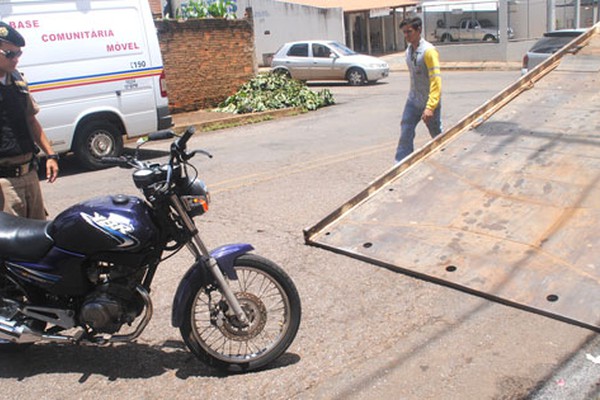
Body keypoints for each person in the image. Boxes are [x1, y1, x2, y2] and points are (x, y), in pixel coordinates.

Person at [0, 21, 59, 219]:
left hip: (29, 174)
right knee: (11, 245)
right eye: (10, 54)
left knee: (38, 235)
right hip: (4, 182)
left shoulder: (18, 81)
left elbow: (31, 121)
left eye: (19, 53)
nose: (16, 59)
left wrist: (50, 155)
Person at [395, 17, 442, 163]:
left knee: (436, 133)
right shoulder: (408, 51)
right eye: (404, 32)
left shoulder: (429, 52)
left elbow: (436, 81)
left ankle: (446, 155)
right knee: (406, 130)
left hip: (429, 102)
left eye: (409, 31)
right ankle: (401, 164)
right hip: (413, 100)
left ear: (419, 30)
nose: (407, 35)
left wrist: (430, 107)